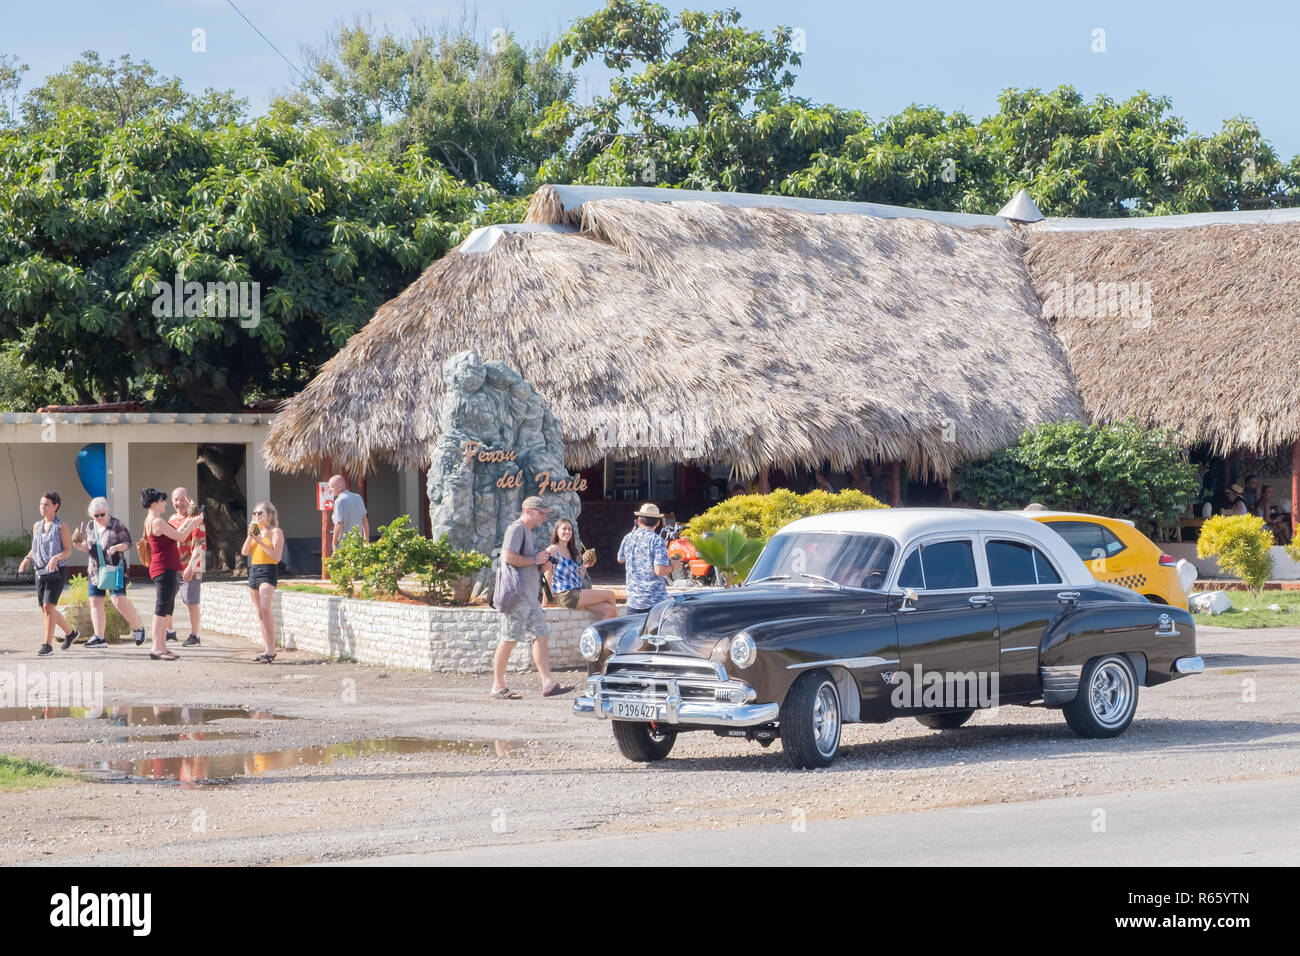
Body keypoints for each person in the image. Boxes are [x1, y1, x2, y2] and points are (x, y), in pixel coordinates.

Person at [490, 497, 572, 700]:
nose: (544, 517)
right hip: (517, 595)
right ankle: (498, 686)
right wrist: (535, 559)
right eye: (541, 512)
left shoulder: (526, 532)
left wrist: (539, 563)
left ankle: (548, 683)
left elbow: (523, 562)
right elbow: (508, 557)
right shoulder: (516, 529)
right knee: (509, 638)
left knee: (541, 635)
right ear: (528, 510)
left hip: (528, 596)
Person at [72, 497, 145, 647]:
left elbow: (127, 543)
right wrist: (80, 546)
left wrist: (117, 548)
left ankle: (138, 628)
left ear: (108, 511)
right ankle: (99, 637)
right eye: (96, 515)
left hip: (114, 568)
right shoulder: (90, 526)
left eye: (102, 514)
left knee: (118, 600)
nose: (99, 518)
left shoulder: (117, 524)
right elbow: (91, 547)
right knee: (95, 602)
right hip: (95, 571)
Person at [141, 488, 204, 661]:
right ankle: (156, 648)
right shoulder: (157, 522)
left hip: (164, 567)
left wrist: (191, 520)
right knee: (161, 608)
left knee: (166, 607)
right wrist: (194, 521)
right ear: (155, 502)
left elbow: (177, 532)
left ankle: (162, 646)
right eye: (163, 500)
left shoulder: (152, 520)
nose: (166, 504)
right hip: (164, 568)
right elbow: (181, 536)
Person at [17, 491, 78, 655]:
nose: (42, 508)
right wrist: (27, 558)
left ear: (55, 506)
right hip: (40, 571)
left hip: (57, 571)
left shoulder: (61, 526)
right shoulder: (37, 526)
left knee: (49, 606)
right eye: (41, 504)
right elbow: (35, 547)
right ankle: (71, 633)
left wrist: (56, 558)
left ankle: (47, 645)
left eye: (46, 505)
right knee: (46, 609)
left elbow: (68, 550)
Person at [544, 517, 617, 619]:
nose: (567, 531)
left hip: (576, 592)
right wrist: (544, 604)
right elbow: (547, 577)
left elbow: (576, 578)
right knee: (610, 595)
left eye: (569, 529)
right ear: (556, 531)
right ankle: (617, 632)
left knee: (609, 609)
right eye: (564, 529)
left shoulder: (571, 551)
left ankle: (602, 634)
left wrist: (585, 566)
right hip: (566, 595)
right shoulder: (552, 550)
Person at [617, 502, 682, 614]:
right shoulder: (657, 540)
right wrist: (673, 566)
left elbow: (620, 559)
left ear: (639, 521)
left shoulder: (628, 537)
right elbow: (659, 571)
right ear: (657, 523)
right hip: (654, 603)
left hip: (633, 601)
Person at [241, 501, 285, 663]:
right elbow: (245, 552)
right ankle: (266, 649)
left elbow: (276, 557)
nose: (256, 516)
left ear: (269, 515)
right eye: (254, 514)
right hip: (254, 570)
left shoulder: (275, 532)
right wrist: (251, 536)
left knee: (266, 608)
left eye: (260, 513)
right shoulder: (255, 533)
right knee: (260, 612)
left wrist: (260, 541)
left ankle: (271, 650)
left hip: (268, 571)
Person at [165, 487, 205, 646]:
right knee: (167, 600)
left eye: (182, 499)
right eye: (176, 499)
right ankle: (170, 632)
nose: (179, 503)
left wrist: (190, 567)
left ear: (188, 500)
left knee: (191, 602)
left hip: (190, 567)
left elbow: (199, 546)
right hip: (172, 567)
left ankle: (195, 635)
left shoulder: (196, 520)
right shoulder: (171, 519)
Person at [329, 474, 369, 547]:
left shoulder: (339, 501)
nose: (330, 490)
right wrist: (366, 540)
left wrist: (334, 543)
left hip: (344, 545)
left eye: (332, 486)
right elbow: (364, 521)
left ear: (340, 485)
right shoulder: (358, 497)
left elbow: (339, 523)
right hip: (358, 544)